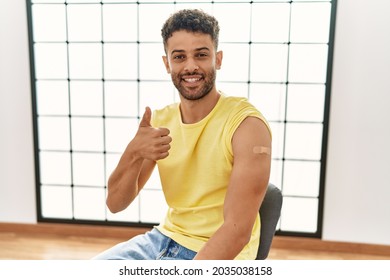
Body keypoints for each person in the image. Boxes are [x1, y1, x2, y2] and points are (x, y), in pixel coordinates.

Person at [93, 9, 272, 260]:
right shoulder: (159, 122)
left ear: (217, 59)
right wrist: (133, 151)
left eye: (201, 55)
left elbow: (237, 231)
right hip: (163, 240)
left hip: (220, 253)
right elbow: (115, 204)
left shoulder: (247, 125)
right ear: (167, 63)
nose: (190, 66)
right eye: (179, 57)